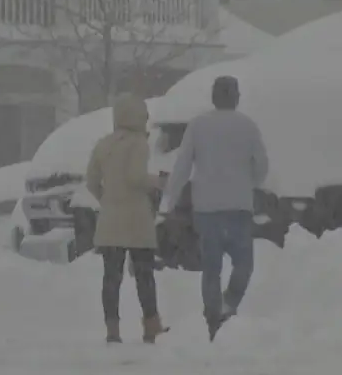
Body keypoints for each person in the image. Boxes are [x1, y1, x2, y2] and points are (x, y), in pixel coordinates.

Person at [161, 76, 269, 341]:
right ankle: (229, 302)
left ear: (213, 97)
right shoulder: (248, 126)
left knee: (211, 267)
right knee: (244, 263)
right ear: (236, 97)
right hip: (239, 207)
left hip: (206, 208)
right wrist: (249, 182)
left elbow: (182, 166)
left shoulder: (198, 126)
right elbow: (262, 166)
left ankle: (212, 317)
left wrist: (169, 201)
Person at [86, 93, 168, 344]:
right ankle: (151, 326)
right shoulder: (138, 143)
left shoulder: (103, 144)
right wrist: (160, 182)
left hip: (110, 219)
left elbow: (91, 181)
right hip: (136, 220)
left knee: (111, 277)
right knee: (144, 274)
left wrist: (107, 199)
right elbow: (136, 177)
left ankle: (113, 330)